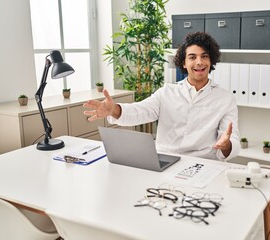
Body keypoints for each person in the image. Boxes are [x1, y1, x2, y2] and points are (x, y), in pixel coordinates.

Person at [83, 32, 240, 160]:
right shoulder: (167, 92)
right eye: (192, 57)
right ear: (184, 63)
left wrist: (226, 145)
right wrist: (113, 110)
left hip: (204, 163)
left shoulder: (225, 99)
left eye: (204, 56)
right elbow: (140, 111)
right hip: (165, 160)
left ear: (211, 60)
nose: (199, 62)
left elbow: (231, 140)